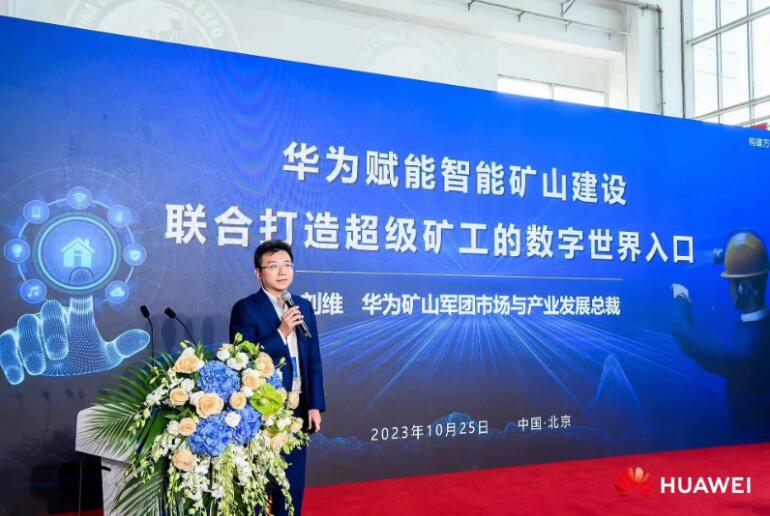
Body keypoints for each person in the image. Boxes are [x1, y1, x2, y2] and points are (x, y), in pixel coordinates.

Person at [229, 239, 325, 515]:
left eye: (287, 265)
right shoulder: (246, 308)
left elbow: (313, 359)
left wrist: (314, 405)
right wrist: (282, 331)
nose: (282, 271)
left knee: (291, 487)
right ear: (258, 273)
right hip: (261, 410)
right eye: (273, 266)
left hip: (297, 409)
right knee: (259, 485)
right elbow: (243, 358)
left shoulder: (302, 305)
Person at [672, 230, 770, 428]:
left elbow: (690, 341)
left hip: (751, 437)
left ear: (743, 289)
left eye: (730, 283)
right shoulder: (760, 326)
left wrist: (681, 301)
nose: (728, 290)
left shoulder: (748, 349)